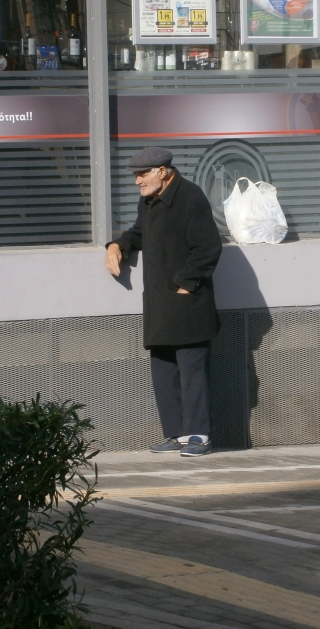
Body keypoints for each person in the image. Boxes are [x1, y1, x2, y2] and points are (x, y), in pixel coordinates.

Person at [105, 146, 222, 457]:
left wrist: (185, 286)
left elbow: (208, 248)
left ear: (162, 171)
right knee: (164, 370)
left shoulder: (191, 197)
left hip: (186, 301)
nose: (137, 181)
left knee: (191, 370)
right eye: (135, 175)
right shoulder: (150, 200)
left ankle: (199, 436)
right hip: (159, 302)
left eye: (142, 174)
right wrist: (117, 245)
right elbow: (141, 232)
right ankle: (176, 434)